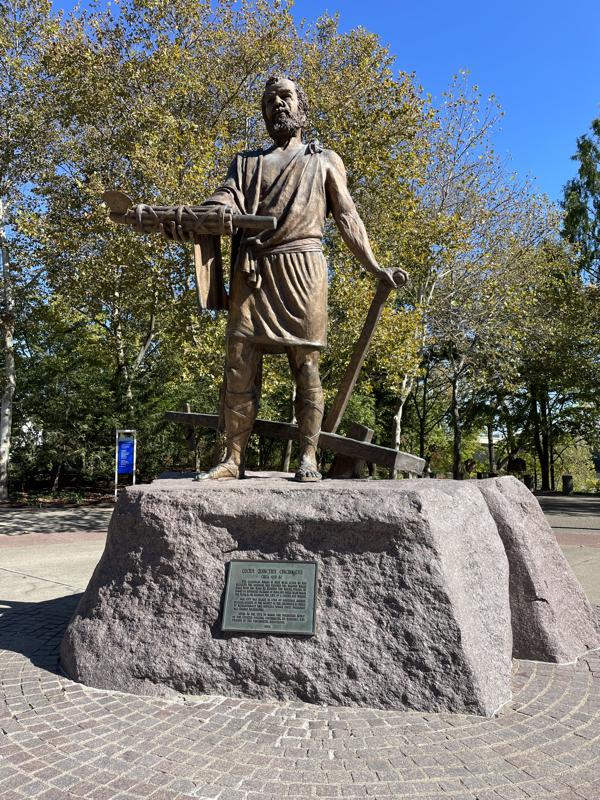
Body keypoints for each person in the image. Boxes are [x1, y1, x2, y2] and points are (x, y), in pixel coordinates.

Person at [195, 75, 406, 482]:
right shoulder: (246, 162)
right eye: (270, 100)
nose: (278, 104)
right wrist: (208, 211)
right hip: (252, 272)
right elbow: (226, 197)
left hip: (302, 268)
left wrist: (374, 266)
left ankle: (308, 456)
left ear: (302, 107)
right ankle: (233, 459)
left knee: (306, 364)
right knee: (238, 363)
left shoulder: (324, 159)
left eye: (285, 96)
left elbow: (346, 216)